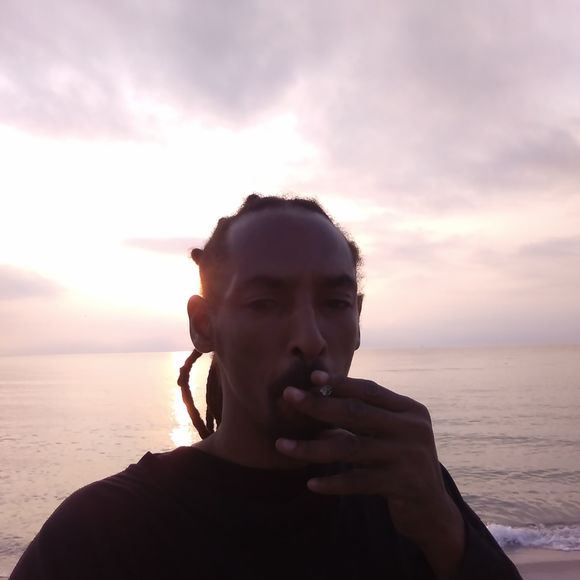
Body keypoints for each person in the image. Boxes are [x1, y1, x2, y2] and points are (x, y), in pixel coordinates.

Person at [11, 194, 522, 579]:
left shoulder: (408, 492)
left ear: (358, 321)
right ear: (204, 325)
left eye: (335, 303)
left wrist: (444, 528)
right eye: (265, 303)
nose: (311, 338)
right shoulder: (103, 529)